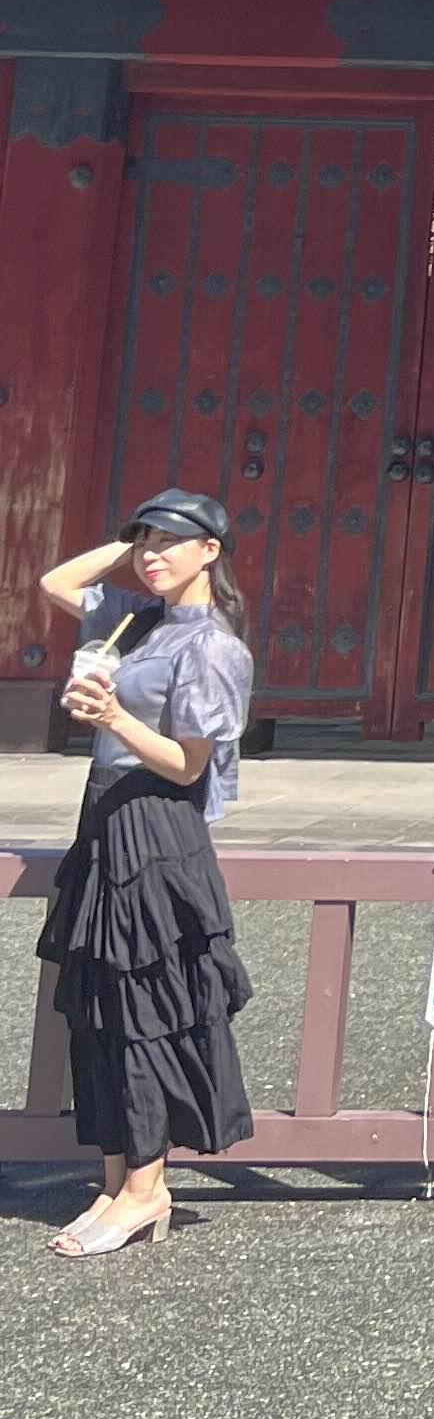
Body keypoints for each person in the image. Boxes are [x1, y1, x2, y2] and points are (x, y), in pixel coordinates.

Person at [34, 491, 257, 1257]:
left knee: (144, 1008)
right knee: (99, 1004)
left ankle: (145, 1188)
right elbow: (58, 582)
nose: (152, 555)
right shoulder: (139, 619)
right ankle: (114, 1182)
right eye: (144, 542)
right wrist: (130, 541)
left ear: (211, 550)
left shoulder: (213, 646)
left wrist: (114, 719)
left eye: (171, 541)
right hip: (104, 815)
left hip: (158, 827)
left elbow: (188, 766)